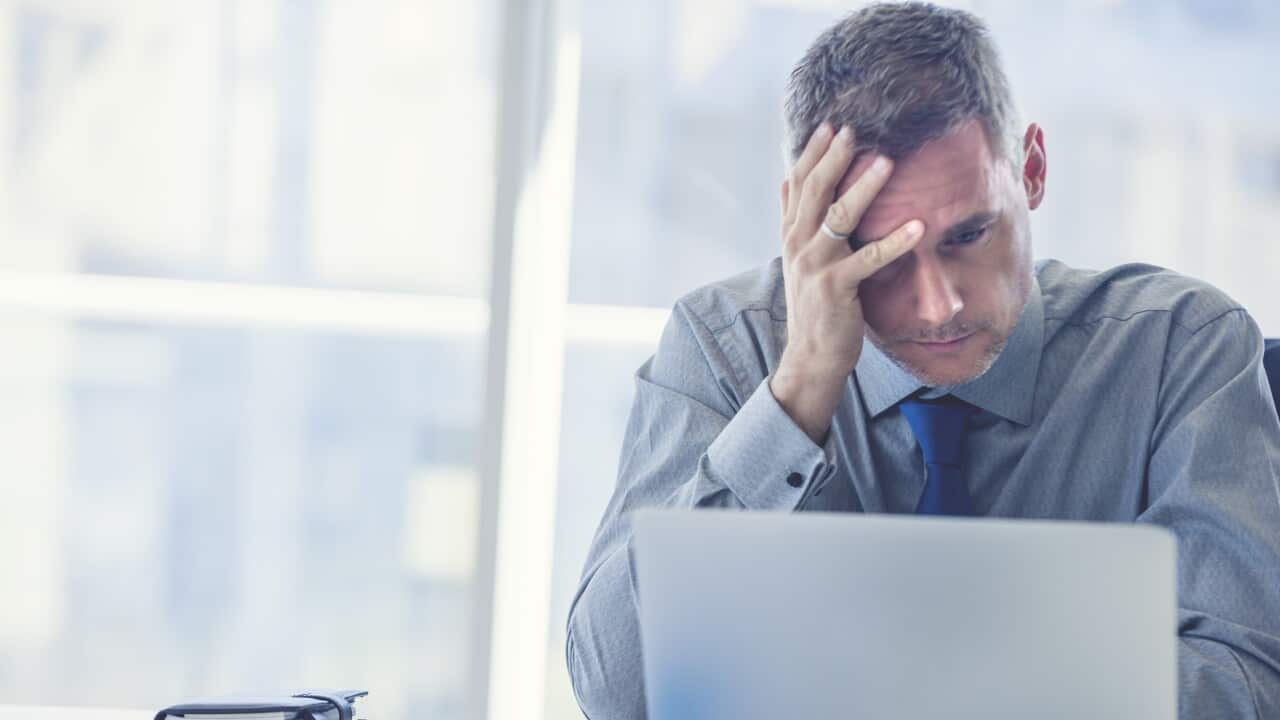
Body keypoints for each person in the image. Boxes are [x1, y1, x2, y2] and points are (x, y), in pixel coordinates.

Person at [565, 3, 1280, 718]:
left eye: (969, 234)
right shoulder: (725, 346)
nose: (938, 306)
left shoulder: (1180, 349)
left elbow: (1244, 687)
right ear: (807, 228)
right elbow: (619, 692)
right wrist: (799, 390)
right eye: (882, 257)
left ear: (1030, 170)